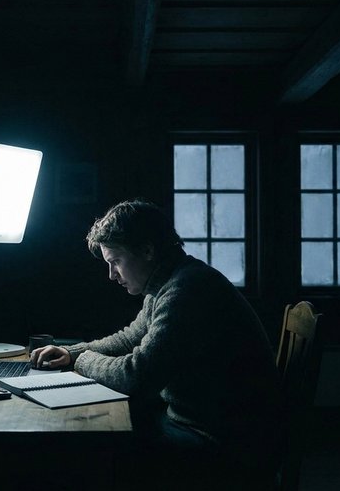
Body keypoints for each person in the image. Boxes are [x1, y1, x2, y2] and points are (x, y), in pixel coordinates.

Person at [30, 199, 285, 485]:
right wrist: (70, 352)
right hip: (209, 427)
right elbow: (129, 338)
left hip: (225, 445)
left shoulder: (186, 291)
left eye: (115, 262)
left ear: (148, 250)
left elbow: (136, 376)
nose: (111, 275)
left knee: (90, 454)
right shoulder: (168, 282)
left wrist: (83, 360)